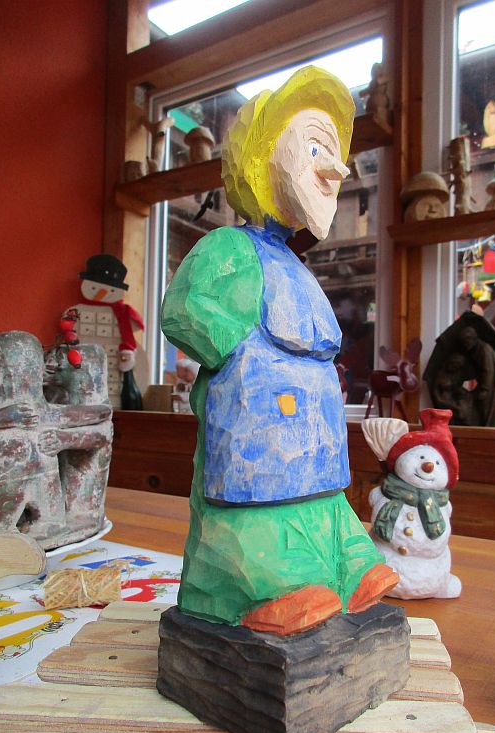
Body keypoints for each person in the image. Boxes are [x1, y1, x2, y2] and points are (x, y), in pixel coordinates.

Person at [161, 66, 396, 635]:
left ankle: (346, 564)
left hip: (314, 440)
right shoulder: (230, 246)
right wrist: (239, 355)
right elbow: (185, 311)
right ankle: (268, 584)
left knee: (324, 501)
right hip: (257, 434)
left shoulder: (294, 263)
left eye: (337, 155)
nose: (336, 168)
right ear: (264, 157)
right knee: (259, 507)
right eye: (316, 147)